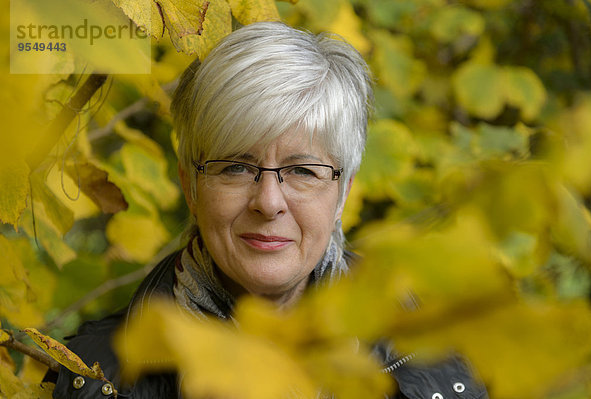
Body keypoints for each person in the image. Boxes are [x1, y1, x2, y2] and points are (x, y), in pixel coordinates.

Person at [49, 22, 488, 398]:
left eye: (302, 170)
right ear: (191, 185)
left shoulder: (441, 359)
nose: (269, 202)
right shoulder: (90, 376)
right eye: (236, 167)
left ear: (344, 193)